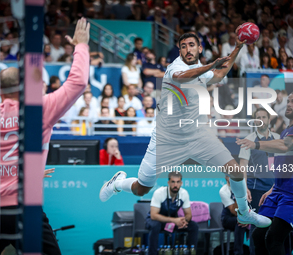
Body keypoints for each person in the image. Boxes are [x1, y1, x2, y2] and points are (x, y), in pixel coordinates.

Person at [100, 31, 272, 229]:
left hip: (197, 135)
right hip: (166, 139)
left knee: (235, 170)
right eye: (183, 46)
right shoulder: (176, 68)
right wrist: (211, 65)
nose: (187, 49)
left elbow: (219, 74)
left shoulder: (201, 68)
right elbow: (183, 78)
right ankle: (117, 183)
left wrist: (238, 47)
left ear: (199, 48)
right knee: (141, 189)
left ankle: (244, 212)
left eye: (191, 45)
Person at [0, 18, 90, 254]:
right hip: (25, 208)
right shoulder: (38, 110)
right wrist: (81, 46)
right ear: (23, 88)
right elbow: (78, 82)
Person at [236, 89, 293, 255]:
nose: (288, 104)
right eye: (288, 101)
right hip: (277, 191)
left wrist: (256, 145)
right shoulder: (286, 130)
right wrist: (273, 188)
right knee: (258, 235)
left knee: (274, 238)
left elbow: (285, 146)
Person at [238, 108, 280, 255]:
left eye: (264, 117)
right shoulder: (248, 139)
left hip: (276, 191)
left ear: (269, 120)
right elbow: (242, 166)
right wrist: (245, 188)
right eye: (258, 117)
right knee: (256, 231)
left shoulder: (278, 138)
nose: (261, 120)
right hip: (255, 189)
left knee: (277, 230)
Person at [145, 172, 199, 255]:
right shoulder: (159, 193)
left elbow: (188, 214)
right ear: (168, 183)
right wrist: (174, 220)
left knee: (193, 226)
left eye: (178, 182)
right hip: (156, 220)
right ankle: (152, 253)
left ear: (181, 183)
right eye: (173, 182)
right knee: (155, 226)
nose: (175, 185)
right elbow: (154, 215)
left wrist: (184, 220)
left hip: (173, 221)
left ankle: (191, 252)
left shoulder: (184, 193)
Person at [220, 176, 248, 255]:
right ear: (226, 177)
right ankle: (238, 252)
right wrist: (238, 192)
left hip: (244, 215)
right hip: (228, 218)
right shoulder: (223, 191)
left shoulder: (246, 187)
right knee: (240, 221)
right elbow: (234, 211)